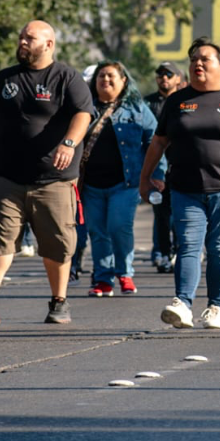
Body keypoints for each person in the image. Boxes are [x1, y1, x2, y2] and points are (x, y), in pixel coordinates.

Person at [0, 20, 94, 326]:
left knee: (56, 243)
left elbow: (83, 114)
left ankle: (59, 302)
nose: (22, 42)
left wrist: (69, 144)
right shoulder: (4, 79)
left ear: (48, 44)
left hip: (54, 181)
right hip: (8, 178)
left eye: (30, 38)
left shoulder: (67, 77)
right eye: (21, 37)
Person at [142, 38, 220, 331]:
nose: (197, 64)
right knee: (188, 245)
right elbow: (159, 141)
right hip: (185, 188)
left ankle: (216, 308)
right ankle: (183, 304)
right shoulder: (177, 101)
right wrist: (145, 177)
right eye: (193, 60)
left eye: (205, 59)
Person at [80, 62, 160, 299]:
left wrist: (157, 174)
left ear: (124, 81)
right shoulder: (84, 108)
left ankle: (124, 272)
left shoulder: (137, 108)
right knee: (97, 231)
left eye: (111, 76)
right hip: (90, 185)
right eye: (101, 76)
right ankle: (103, 279)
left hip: (125, 184)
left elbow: (155, 142)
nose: (105, 80)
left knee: (118, 227)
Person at [143, 62, 185, 273]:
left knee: (180, 214)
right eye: (160, 74)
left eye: (169, 74)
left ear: (178, 78)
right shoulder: (147, 103)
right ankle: (163, 254)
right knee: (161, 214)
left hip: (180, 166)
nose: (164, 78)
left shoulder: (185, 101)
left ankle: (180, 252)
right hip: (158, 169)